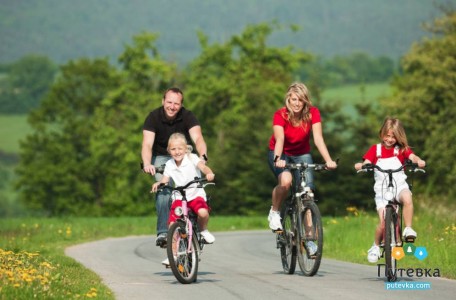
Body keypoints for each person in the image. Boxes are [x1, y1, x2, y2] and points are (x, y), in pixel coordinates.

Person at [267, 82, 337, 254]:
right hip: (280, 153)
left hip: (302, 154)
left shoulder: (313, 113)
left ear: (306, 101)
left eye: (301, 100)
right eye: (293, 100)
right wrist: (277, 159)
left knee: (308, 196)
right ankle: (275, 212)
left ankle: (309, 239)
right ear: (288, 100)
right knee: (286, 180)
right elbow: (280, 139)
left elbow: (318, 139)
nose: (297, 104)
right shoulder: (280, 115)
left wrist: (328, 160)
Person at [142, 87, 209, 247]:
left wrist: (203, 156)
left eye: (176, 104)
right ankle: (164, 233)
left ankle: (196, 228)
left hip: (184, 154)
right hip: (162, 157)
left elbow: (198, 138)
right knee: (164, 190)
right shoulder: (153, 117)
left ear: (181, 105)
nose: (172, 106)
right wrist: (147, 163)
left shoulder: (187, 116)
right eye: (169, 102)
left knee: (192, 188)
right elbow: (147, 144)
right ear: (163, 101)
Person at [354, 117, 426, 263]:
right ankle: (375, 245)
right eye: (387, 135)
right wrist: (363, 165)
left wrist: (418, 161)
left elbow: (412, 156)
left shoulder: (401, 150)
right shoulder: (376, 149)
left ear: (399, 137)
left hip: (399, 186)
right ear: (382, 134)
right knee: (382, 222)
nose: (390, 139)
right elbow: (367, 161)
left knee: (407, 198)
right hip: (382, 191)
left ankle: (408, 229)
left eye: (394, 136)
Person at [151, 133, 215, 266]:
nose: (177, 152)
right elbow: (165, 179)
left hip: (195, 194)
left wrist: (208, 173)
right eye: (173, 149)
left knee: (203, 213)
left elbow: (203, 167)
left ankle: (203, 230)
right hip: (180, 196)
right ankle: (173, 255)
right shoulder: (169, 164)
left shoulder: (192, 158)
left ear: (186, 148)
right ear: (169, 151)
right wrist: (159, 184)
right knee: (172, 224)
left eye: (180, 148)